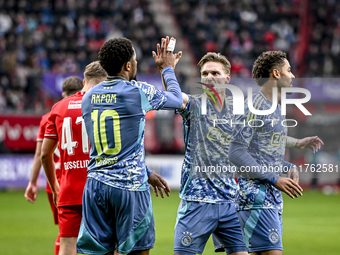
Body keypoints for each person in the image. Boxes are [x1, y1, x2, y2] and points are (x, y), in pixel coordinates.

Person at [172, 52, 324, 255]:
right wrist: (167, 69)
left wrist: (289, 160)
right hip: (206, 199)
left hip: (230, 201)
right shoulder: (195, 104)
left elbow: (258, 145)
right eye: (205, 73)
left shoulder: (242, 108)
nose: (209, 77)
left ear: (227, 78)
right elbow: (239, 151)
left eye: (215, 72)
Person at [77, 36, 182, 255]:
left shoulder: (88, 97)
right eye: (134, 60)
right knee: (137, 251)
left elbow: (106, 147)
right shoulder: (138, 91)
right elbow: (176, 99)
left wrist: (146, 172)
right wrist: (167, 69)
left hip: (96, 186)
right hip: (129, 187)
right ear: (128, 66)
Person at [228, 50, 322, 254]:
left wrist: (295, 148)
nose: (293, 75)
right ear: (276, 74)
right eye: (289, 70)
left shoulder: (275, 107)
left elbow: (267, 144)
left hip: (271, 196)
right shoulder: (253, 106)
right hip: (256, 197)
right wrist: (274, 178)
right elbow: (236, 152)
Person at [41, 62, 108, 255]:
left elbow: (45, 154)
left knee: (67, 247)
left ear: (84, 80)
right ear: (101, 83)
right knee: (107, 247)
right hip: (100, 189)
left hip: (69, 189)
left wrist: (54, 186)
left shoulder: (58, 107)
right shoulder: (105, 105)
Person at [24, 76, 83, 255]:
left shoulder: (49, 116)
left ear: (63, 94)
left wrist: (32, 183)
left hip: (55, 184)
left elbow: (40, 155)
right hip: (79, 178)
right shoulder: (86, 110)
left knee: (65, 233)